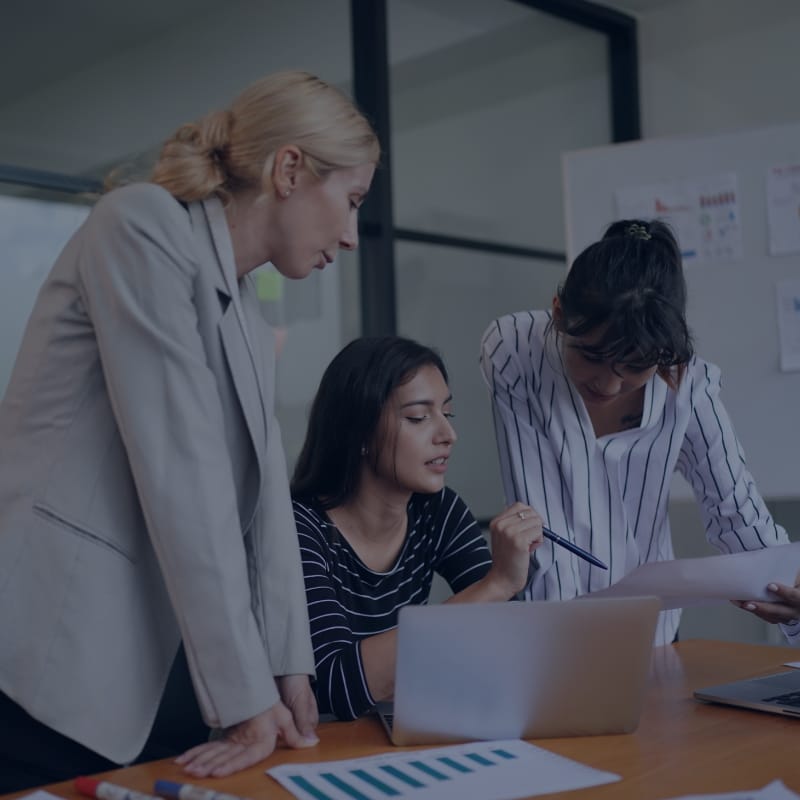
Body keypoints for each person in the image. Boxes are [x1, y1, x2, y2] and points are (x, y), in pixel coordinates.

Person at [0, 70, 379, 791]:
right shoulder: (139, 224)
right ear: (290, 169)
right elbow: (181, 472)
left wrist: (287, 668)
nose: (353, 235)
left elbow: (266, 499)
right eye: (352, 201)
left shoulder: (243, 307)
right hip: (34, 656)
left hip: (122, 673)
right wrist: (243, 700)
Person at [480, 218, 800, 647]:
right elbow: (542, 531)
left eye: (635, 367)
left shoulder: (687, 385)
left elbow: (737, 514)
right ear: (558, 312)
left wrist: (786, 592)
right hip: (551, 641)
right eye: (592, 355)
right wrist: (559, 659)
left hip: (649, 640)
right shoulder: (516, 351)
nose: (609, 386)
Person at [291, 336, 544, 720]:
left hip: (399, 731)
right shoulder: (299, 527)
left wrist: (508, 580)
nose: (447, 435)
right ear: (359, 432)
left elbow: (509, 645)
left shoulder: (435, 511)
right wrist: (495, 584)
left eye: (447, 414)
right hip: (316, 743)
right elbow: (335, 685)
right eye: (418, 418)